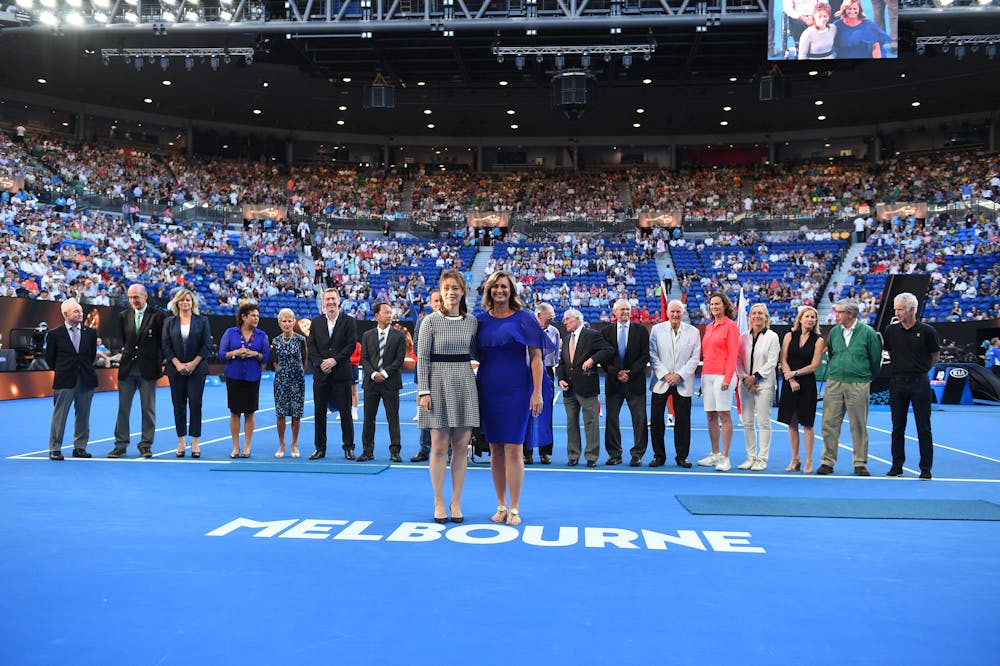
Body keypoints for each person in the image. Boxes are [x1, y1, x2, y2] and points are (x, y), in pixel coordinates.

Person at [476, 270, 550, 526]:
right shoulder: (480, 321)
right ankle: (500, 504)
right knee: (495, 449)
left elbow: (537, 357)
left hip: (518, 389)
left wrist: (537, 391)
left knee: (514, 448)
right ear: (489, 290)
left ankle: (515, 507)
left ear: (512, 290)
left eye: (504, 287)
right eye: (495, 286)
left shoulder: (525, 318)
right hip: (487, 388)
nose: (499, 290)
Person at [416, 269, 478, 524]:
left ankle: (456, 501)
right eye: (446, 288)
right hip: (437, 384)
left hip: (464, 383)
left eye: (455, 288)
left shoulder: (472, 322)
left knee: (461, 448)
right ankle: (439, 500)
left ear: (462, 291)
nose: (450, 293)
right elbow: (422, 358)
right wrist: (424, 391)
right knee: (439, 447)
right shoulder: (429, 321)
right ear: (440, 293)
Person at [817, 299, 882, 476]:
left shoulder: (868, 333)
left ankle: (860, 463)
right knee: (829, 423)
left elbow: (876, 360)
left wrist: (865, 377)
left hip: (858, 383)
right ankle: (827, 461)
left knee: (859, 424)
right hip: (835, 381)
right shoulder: (834, 332)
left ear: (850, 314)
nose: (835, 315)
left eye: (838, 312)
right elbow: (832, 354)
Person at [883, 292, 940, 480]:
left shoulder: (927, 331)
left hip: (920, 383)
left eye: (900, 309)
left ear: (912, 309)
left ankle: (925, 469)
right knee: (897, 427)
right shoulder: (890, 331)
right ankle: (896, 466)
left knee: (923, 427)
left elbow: (934, 355)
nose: (897, 313)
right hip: (897, 383)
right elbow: (889, 351)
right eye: (896, 309)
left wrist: (920, 369)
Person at [108, 283, 164, 459]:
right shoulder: (123, 315)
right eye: (131, 297)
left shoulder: (158, 316)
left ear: (145, 296)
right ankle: (120, 445)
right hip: (127, 370)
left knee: (148, 409)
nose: (133, 301)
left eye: (136, 297)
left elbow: (162, 343)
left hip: (148, 370)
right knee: (123, 409)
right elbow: (122, 342)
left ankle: (146, 445)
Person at [557, 309, 614, 468]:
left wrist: (592, 359)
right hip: (569, 388)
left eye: (567, 319)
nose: (565, 322)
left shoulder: (592, 335)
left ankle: (591, 456)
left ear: (577, 320)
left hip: (587, 386)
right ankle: (573, 455)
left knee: (591, 422)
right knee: (571, 423)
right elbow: (562, 362)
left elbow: (608, 350)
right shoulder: (567, 338)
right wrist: (560, 379)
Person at [648, 300, 701, 468]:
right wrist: (665, 374)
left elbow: (695, 357)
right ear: (668, 313)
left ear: (683, 313)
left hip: (683, 383)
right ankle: (659, 456)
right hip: (660, 382)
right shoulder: (656, 330)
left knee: (683, 422)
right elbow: (652, 354)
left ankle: (682, 456)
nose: (675, 315)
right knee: (656, 421)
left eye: (678, 311)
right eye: (673, 312)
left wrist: (679, 375)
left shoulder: (693, 332)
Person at [307, 288, 358, 460]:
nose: (330, 302)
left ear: (339, 300)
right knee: (319, 413)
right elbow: (311, 346)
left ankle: (349, 447)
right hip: (321, 375)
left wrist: (334, 360)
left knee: (345, 413)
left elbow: (350, 345)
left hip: (341, 374)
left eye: (332, 299)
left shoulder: (349, 321)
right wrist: (320, 363)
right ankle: (320, 448)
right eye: (327, 299)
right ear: (323, 302)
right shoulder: (316, 322)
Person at [161, 288, 212, 459]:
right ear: (177, 303)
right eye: (182, 300)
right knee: (179, 405)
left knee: (196, 404)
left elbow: (206, 345)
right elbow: (165, 346)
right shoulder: (169, 322)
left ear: (193, 303)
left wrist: (192, 364)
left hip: (197, 369)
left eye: (188, 300)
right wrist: (177, 363)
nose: (185, 303)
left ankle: (195, 441)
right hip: (175, 370)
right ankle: (181, 440)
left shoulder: (202, 321)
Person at [45, 298, 98, 460]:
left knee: (83, 415)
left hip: (86, 379)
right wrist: (64, 370)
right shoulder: (54, 334)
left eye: (81, 311)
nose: (80, 314)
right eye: (76, 311)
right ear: (65, 314)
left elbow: (91, 356)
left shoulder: (90, 333)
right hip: (64, 380)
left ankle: (80, 447)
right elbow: (50, 359)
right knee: (59, 415)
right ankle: (55, 448)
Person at [777, 305, 826, 474]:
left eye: (813, 317)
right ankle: (795, 458)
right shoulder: (789, 336)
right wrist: (791, 378)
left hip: (807, 385)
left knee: (807, 424)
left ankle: (809, 460)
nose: (810, 320)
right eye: (807, 316)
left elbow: (814, 365)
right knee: (791, 423)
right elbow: (783, 359)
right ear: (800, 318)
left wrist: (795, 373)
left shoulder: (818, 340)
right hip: (790, 384)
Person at [601, 299, 650, 466]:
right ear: (614, 312)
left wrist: (630, 373)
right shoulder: (606, 332)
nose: (625, 312)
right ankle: (615, 454)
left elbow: (645, 356)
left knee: (640, 419)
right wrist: (617, 373)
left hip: (635, 382)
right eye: (622, 309)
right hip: (614, 383)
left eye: (628, 309)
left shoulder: (641, 331)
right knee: (612, 419)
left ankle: (637, 454)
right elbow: (603, 358)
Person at [218, 303, 270, 459]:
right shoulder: (230, 333)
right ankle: (235, 446)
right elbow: (221, 355)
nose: (256, 319)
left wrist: (254, 354)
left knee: (250, 411)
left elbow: (266, 356)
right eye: (253, 316)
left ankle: (247, 446)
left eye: (258, 316)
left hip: (253, 377)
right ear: (243, 317)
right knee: (234, 412)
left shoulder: (261, 335)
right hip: (234, 376)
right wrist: (235, 352)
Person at [698, 292, 740, 471]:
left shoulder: (730, 326)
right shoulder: (709, 327)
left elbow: (733, 354)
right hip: (707, 375)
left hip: (723, 376)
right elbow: (706, 355)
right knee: (710, 416)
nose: (714, 307)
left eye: (717, 304)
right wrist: (702, 378)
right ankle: (714, 453)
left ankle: (725, 456)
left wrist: (728, 377)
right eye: (712, 304)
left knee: (724, 415)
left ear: (725, 306)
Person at [735, 304, 781, 471]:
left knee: (763, 421)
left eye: (760, 313)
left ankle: (762, 458)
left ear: (766, 316)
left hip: (765, 384)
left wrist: (755, 377)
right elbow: (738, 360)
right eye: (754, 313)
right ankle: (751, 456)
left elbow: (772, 361)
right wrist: (745, 378)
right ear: (750, 317)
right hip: (745, 385)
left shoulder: (772, 336)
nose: (757, 316)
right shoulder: (742, 337)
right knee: (747, 422)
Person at [359, 302, 407, 462]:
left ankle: (395, 451)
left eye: (390, 312)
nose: (389, 315)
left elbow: (399, 360)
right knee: (368, 418)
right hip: (371, 383)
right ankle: (367, 451)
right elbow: (364, 359)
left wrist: (384, 373)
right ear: (377, 316)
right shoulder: (367, 335)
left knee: (393, 417)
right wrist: (373, 374)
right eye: (386, 312)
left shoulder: (399, 336)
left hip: (390, 383)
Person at [523, 302, 560, 465]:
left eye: (553, 318)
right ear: (538, 315)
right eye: (549, 318)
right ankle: (527, 452)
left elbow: (555, 356)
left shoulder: (554, 332)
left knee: (547, 413)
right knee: (527, 413)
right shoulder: (525, 331)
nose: (552, 320)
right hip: (526, 373)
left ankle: (546, 452)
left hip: (547, 372)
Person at [410, 289, 442, 462]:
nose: (438, 304)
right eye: (435, 301)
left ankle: (450, 451)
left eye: (440, 300)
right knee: (426, 413)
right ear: (430, 303)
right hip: (427, 374)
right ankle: (424, 449)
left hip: (446, 374)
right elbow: (416, 348)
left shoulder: (453, 321)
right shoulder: (422, 322)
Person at [271, 308, 306, 459]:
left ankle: (294, 444)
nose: (287, 324)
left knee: (296, 414)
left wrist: (297, 373)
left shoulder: (301, 340)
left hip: (297, 381)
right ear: (279, 323)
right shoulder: (275, 341)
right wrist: (282, 373)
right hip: (280, 381)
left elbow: (304, 358)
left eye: (289, 321)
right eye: (284, 321)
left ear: (294, 322)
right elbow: (274, 361)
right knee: (281, 414)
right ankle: (281, 444)